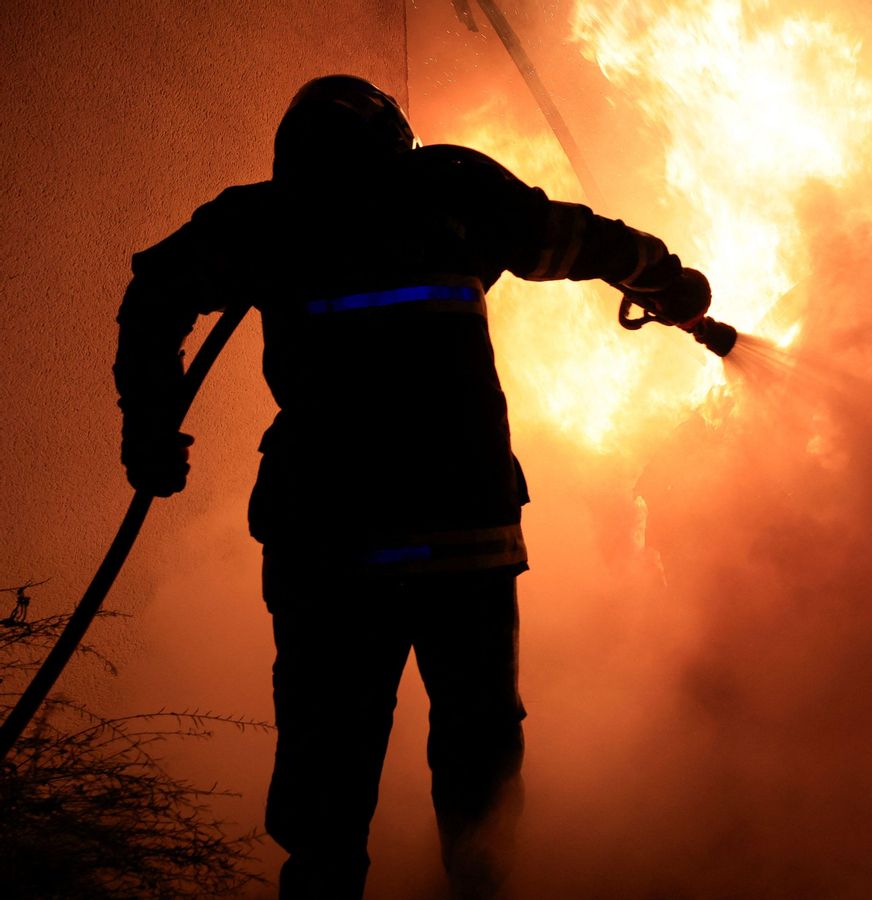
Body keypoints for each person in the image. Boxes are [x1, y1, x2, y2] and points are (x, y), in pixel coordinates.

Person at [113, 75, 712, 898]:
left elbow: (152, 299)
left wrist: (146, 429)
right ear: (396, 136)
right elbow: (576, 241)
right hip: (461, 536)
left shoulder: (262, 220)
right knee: (479, 764)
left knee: (327, 777)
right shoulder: (450, 188)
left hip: (326, 547)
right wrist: (669, 283)